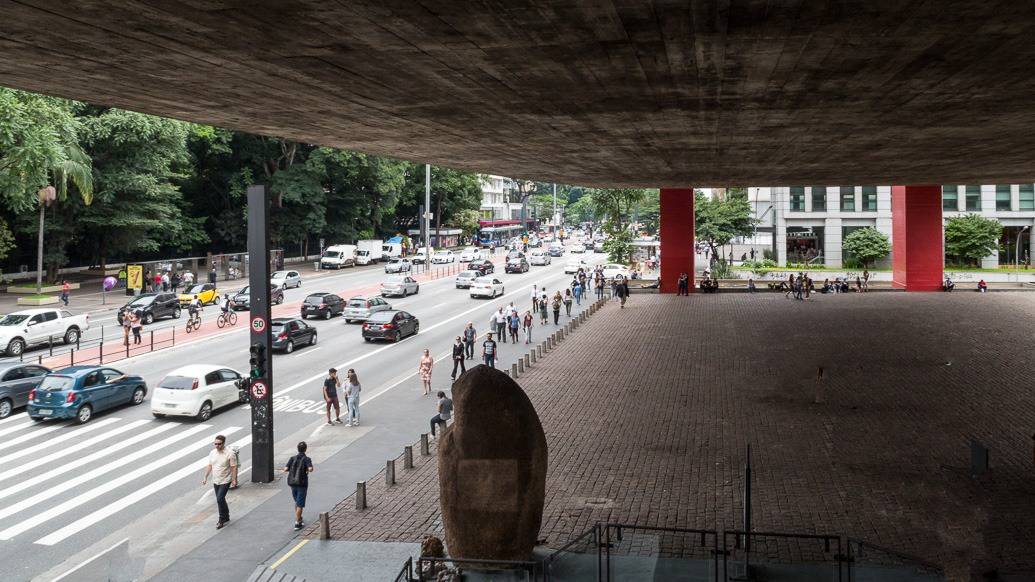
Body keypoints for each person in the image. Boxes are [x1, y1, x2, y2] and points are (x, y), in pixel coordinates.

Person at [202, 434, 238, 529]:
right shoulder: (212, 452)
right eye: (215, 444)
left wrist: (234, 479)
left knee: (219, 499)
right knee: (220, 499)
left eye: (219, 444)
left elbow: (233, 467)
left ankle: (221, 519)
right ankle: (226, 516)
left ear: (223, 443)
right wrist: (205, 477)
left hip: (226, 480)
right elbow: (210, 465)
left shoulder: (230, 453)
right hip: (216, 479)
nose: (217, 446)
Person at [283, 441, 314, 531]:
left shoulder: (292, 458)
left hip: (292, 483)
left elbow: (285, 469)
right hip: (302, 483)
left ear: (297, 449)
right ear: (305, 449)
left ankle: (299, 518)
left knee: (297, 501)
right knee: (300, 503)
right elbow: (310, 469)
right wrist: (308, 469)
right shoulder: (306, 459)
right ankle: (297, 522)